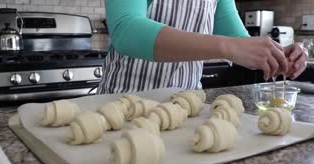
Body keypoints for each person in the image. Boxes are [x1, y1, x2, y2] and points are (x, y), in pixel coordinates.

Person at [97, 0, 308, 94]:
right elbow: (127, 29)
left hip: (185, 110)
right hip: (124, 103)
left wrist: (278, 55)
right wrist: (227, 46)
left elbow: (243, 45)